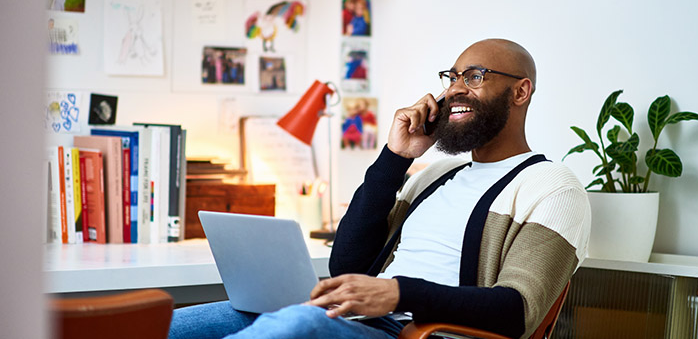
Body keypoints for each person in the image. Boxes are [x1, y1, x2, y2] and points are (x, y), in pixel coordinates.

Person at [168, 38, 590, 339]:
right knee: (175, 323)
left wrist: (396, 293)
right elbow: (347, 263)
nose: (455, 88)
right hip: (356, 321)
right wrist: (395, 157)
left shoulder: (552, 188)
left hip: (416, 332)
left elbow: (517, 311)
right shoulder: (434, 174)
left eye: (475, 76)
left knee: (296, 326)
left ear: (521, 91)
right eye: (453, 76)